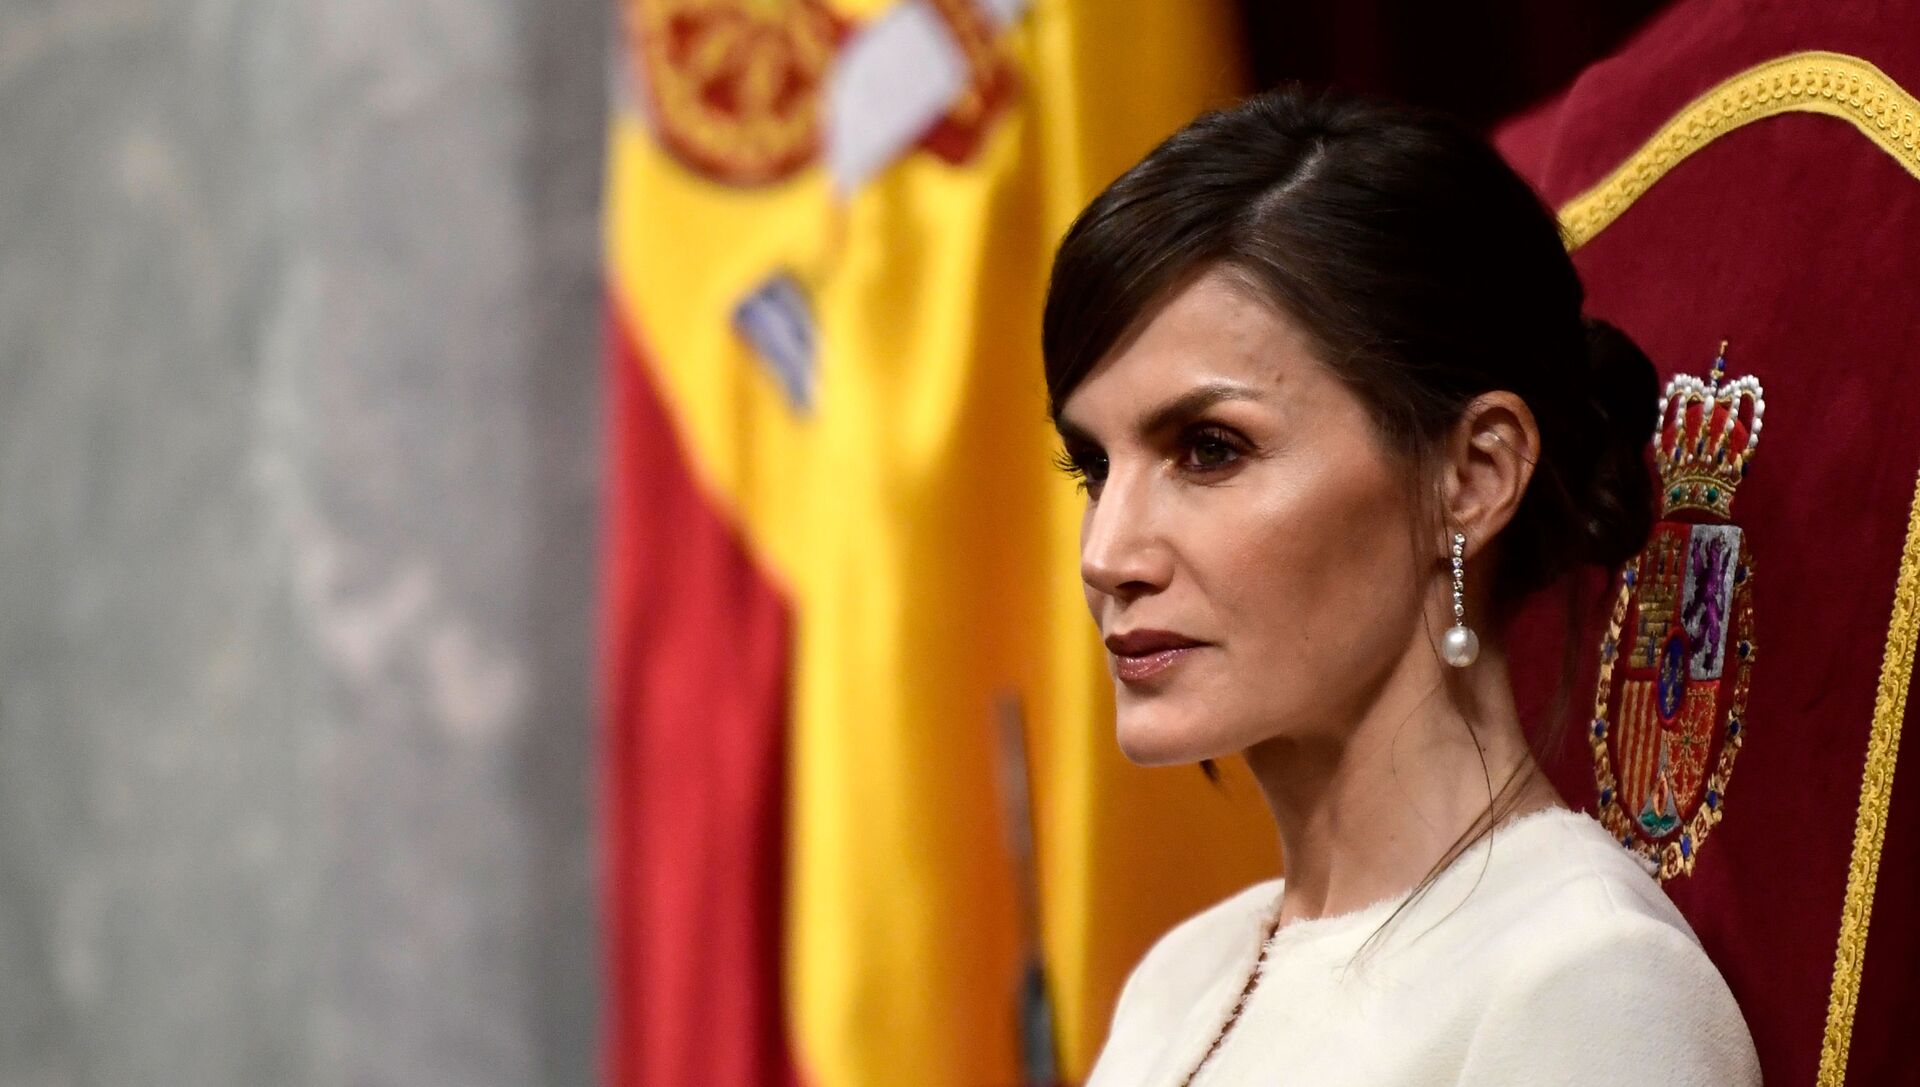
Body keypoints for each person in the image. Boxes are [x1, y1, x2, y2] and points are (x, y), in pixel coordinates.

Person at [1042, 84, 1761, 1086]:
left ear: (1473, 476)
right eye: (1093, 467)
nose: (1106, 552)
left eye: (1209, 449)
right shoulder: (1181, 978)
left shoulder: (1586, 984)